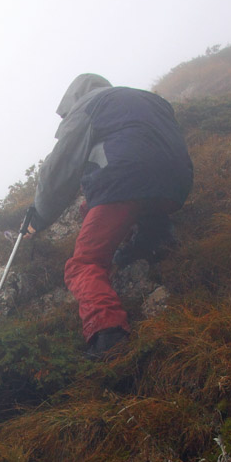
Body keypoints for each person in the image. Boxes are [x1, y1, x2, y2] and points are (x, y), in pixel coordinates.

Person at [26, 73, 193, 360]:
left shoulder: (88, 106)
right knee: (135, 199)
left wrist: (39, 216)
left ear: (73, 98)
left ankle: (108, 334)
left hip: (124, 179)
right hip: (177, 182)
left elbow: (60, 167)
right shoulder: (147, 99)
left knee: (84, 264)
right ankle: (155, 236)